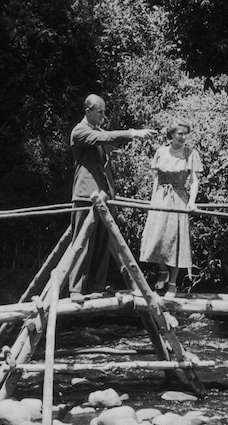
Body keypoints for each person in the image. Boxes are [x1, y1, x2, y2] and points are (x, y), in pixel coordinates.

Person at [69, 94, 156, 303]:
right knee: (82, 243)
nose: (103, 115)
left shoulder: (97, 131)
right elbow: (106, 138)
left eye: (104, 111)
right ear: (88, 110)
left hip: (103, 196)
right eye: (100, 111)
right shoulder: (80, 131)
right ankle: (76, 290)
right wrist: (134, 133)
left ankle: (96, 286)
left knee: (102, 242)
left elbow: (107, 138)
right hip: (84, 195)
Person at [139, 118, 203, 298]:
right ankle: (163, 271)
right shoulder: (161, 151)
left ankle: (173, 285)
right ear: (171, 134)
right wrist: (152, 200)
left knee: (174, 240)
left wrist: (192, 201)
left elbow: (194, 181)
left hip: (179, 198)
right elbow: (157, 179)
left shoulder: (191, 153)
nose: (183, 137)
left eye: (185, 134)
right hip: (161, 197)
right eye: (179, 133)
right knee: (157, 236)